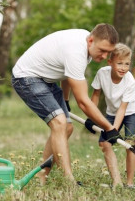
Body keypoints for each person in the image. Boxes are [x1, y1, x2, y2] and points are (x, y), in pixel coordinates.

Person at [11, 24, 120, 185]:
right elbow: (83, 102)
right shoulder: (76, 51)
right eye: (102, 50)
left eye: (108, 52)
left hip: (46, 79)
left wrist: (66, 100)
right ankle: (69, 181)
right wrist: (109, 128)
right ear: (90, 41)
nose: (104, 56)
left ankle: (41, 177)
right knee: (59, 123)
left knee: (66, 128)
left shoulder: (87, 46)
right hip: (27, 78)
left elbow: (68, 75)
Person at [85, 43, 135, 189]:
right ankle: (116, 182)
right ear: (110, 62)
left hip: (131, 111)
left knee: (130, 145)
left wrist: (114, 130)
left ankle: (129, 183)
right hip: (112, 111)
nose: (123, 67)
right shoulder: (102, 74)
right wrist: (91, 117)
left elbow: (123, 109)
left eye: (127, 64)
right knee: (104, 143)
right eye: (119, 63)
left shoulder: (130, 80)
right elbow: (96, 96)